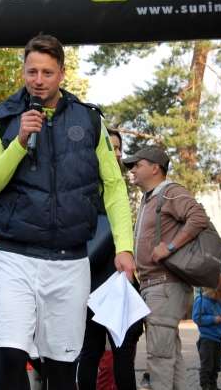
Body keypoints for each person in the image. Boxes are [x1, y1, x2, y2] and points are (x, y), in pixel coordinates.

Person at [0, 34, 134, 390]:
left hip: (70, 261)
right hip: (15, 255)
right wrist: (19, 143)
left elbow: (114, 186)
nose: (38, 80)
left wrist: (124, 246)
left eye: (47, 72)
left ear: (62, 73)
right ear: (23, 72)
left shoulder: (89, 120)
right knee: (11, 355)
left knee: (62, 367)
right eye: (31, 71)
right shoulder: (2, 119)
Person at [124, 145, 210, 390]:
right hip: (157, 285)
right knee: (170, 355)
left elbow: (199, 218)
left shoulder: (170, 192)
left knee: (159, 357)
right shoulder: (151, 198)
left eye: (137, 165)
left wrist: (170, 247)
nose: (132, 170)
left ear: (155, 168)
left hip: (163, 285)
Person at [78, 127, 142, 390]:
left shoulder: (118, 187)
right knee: (92, 352)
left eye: (118, 148)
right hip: (94, 281)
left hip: (114, 280)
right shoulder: (90, 187)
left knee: (121, 354)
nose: (115, 153)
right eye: (110, 147)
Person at [192, 275, 221, 390]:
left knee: (216, 366)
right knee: (207, 365)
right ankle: (206, 386)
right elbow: (197, 318)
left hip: (218, 338)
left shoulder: (219, 302)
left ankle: (213, 385)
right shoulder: (201, 300)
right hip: (207, 339)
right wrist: (213, 319)